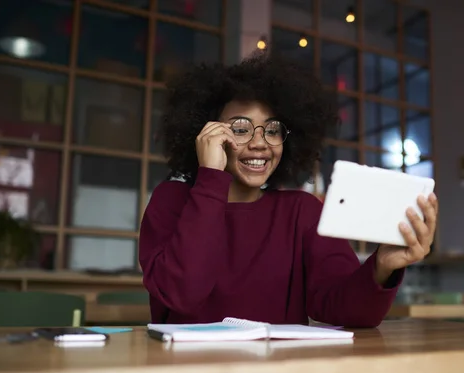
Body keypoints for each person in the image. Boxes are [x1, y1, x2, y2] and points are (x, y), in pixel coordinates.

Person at [139, 53, 439, 327]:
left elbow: (344, 310)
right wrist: (210, 178)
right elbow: (183, 294)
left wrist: (381, 266)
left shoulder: (302, 211)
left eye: (272, 129)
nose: (260, 142)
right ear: (206, 136)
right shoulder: (172, 200)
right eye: (240, 129)